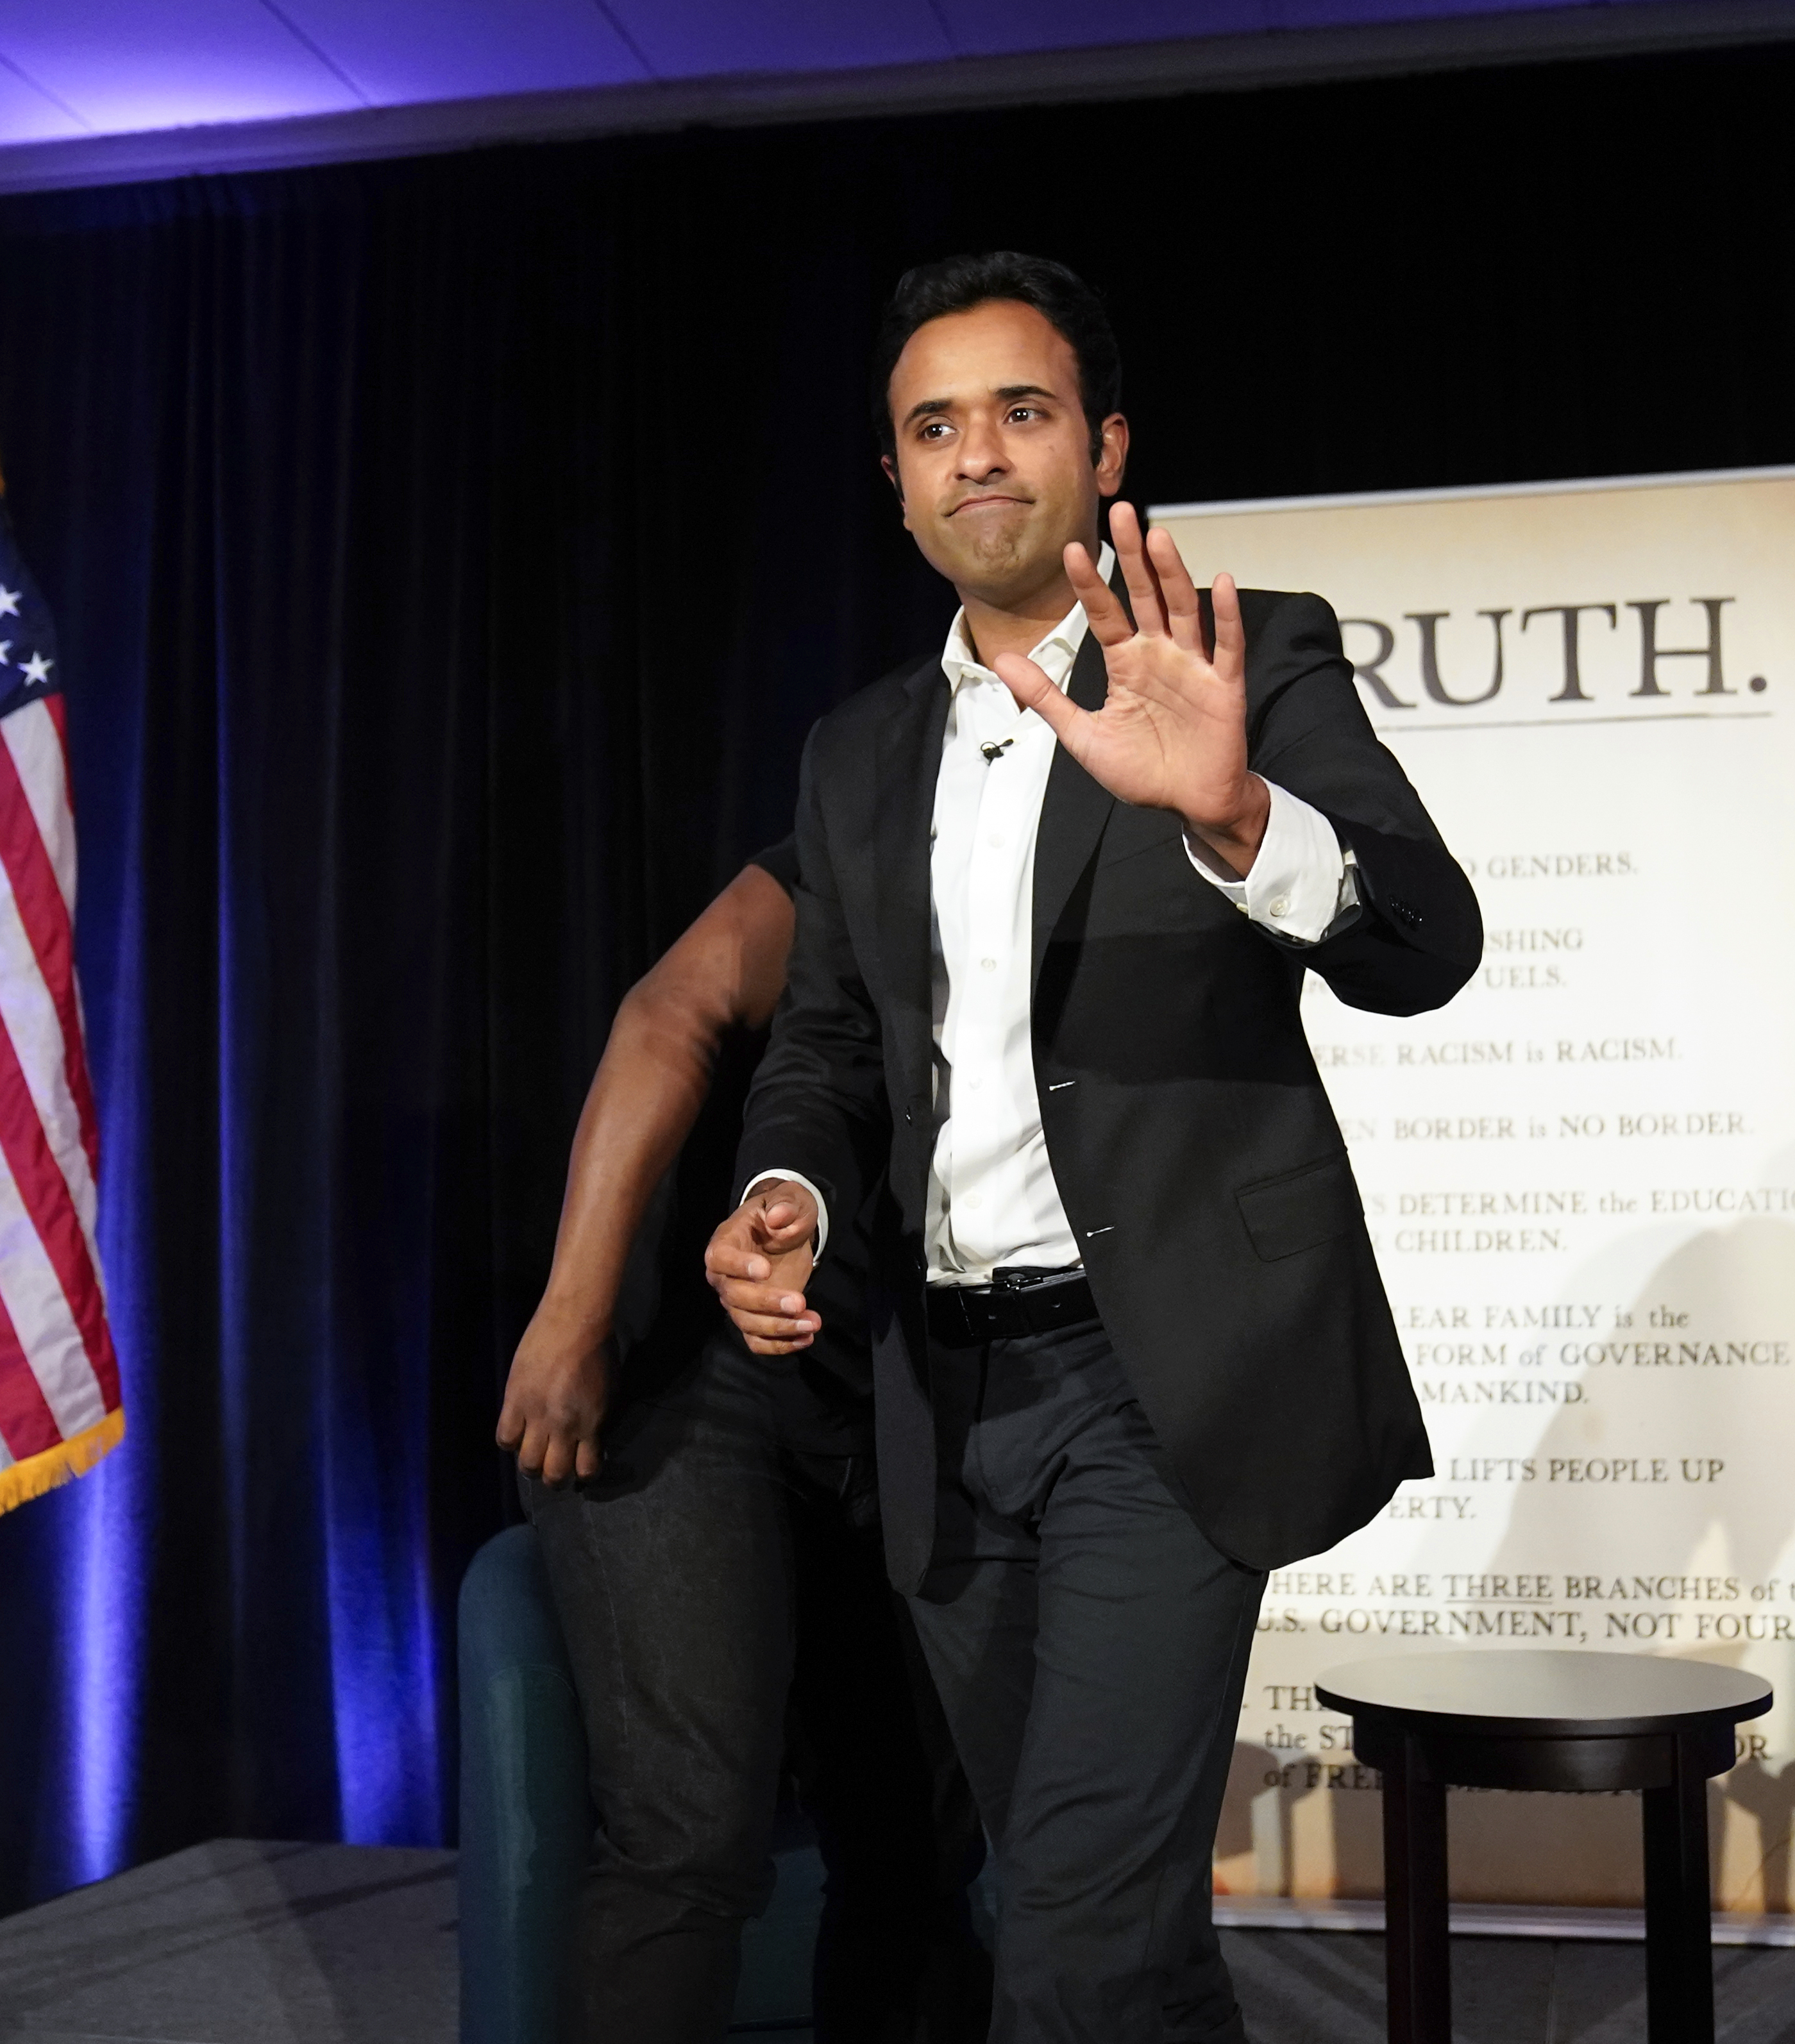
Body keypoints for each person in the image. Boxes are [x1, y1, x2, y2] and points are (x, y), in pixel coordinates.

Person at [706, 253, 1483, 2044]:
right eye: (933, 425)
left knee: (1061, 1934)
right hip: (941, 1398)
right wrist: (787, 1193)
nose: (975, 452)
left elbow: (1421, 945)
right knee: (1112, 1935)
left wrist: (1229, 809)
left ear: (1102, 446)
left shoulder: (1242, 649)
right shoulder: (853, 751)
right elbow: (825, 1046)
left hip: (1161, 1390)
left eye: (1020, 411)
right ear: (894, 479)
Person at [499, 842, 988, 2044]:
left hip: (902, 1393)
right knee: (690, 1837)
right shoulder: (895, 819)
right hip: (690, 1373)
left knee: (918, 1848)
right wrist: (575, 1312)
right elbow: (672, 1008)